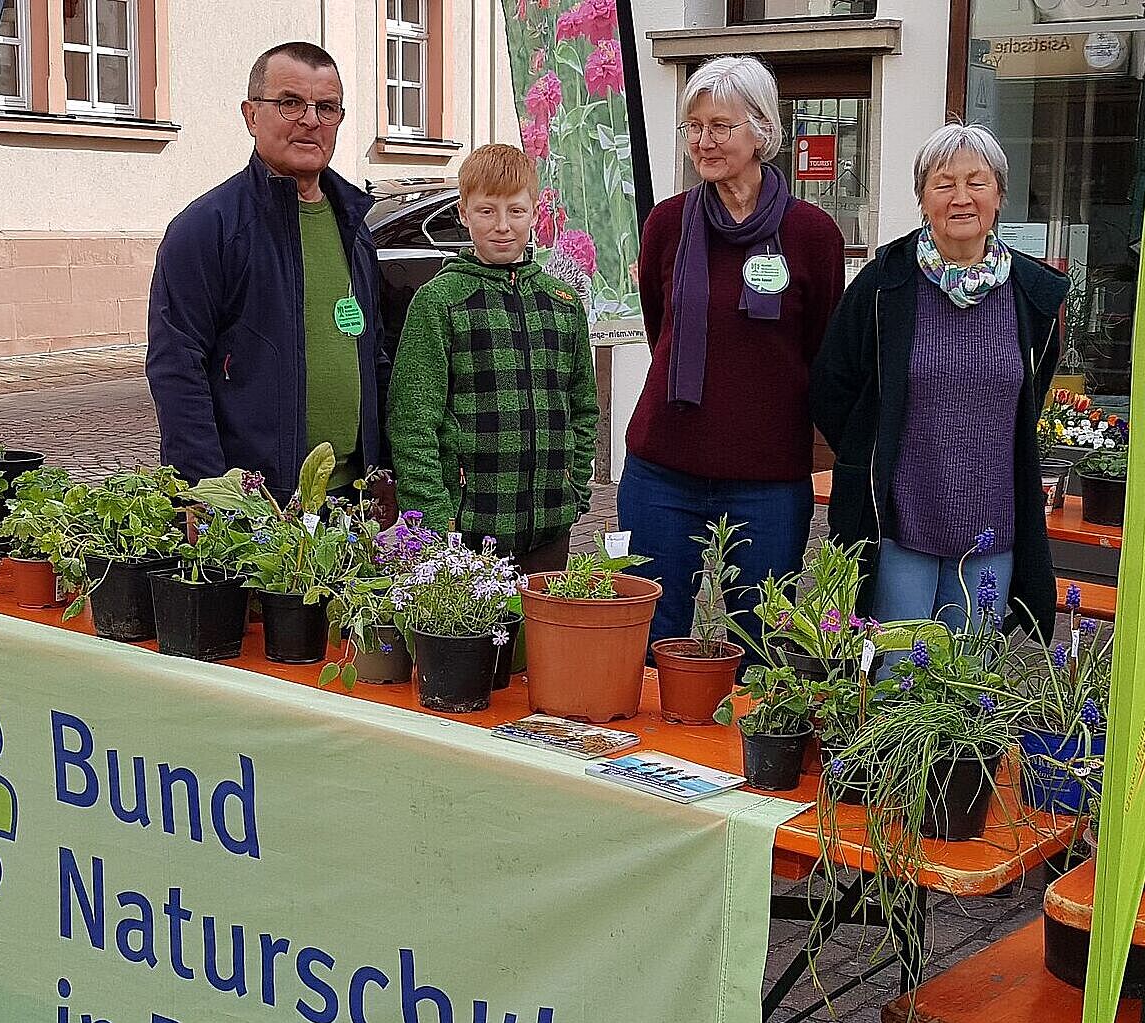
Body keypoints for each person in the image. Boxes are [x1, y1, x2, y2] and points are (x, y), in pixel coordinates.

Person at [622, 55, 846, 646]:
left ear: (762, 130)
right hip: (664, 468)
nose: (704, 140)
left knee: (762, 644)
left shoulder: (813, 235)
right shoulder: (667, 224)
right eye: (694, 127)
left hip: (768, 476)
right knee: (651, 637)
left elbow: (821, 349)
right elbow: (659, 327)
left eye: (720, 125)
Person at [810, 124, 1065, 635]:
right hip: (900, 521)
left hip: (993, 524)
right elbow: (832, 383)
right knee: (890, 675)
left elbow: (1027, 399)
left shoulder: (1033, 295)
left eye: (977, 182)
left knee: (967, 681)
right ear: (922, 198)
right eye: (944, 184)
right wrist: (867, 450)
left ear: (1000, 196)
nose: (961, 198)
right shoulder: (886, 282)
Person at [146, 41, 391, 503]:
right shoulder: (208, 229)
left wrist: (385, 473)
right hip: (257, 504)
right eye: (290, 102)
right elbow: (177, 370)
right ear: (251, 115)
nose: (311, 120)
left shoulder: (354, 227)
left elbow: (372, 356)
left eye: (327, 107)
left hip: (352, 496)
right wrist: (207, 494)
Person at [386, 145, 599, 574]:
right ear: (464, 213)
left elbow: (584, 409)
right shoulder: (440, 302)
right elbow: (412, 423)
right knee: (472, 640)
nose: (502, 226)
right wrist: (430, 518)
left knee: (540, 642)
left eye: (516, 211)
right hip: (466, 528)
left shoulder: (562, 303)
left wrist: (573, 489)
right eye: (486, 211)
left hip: (549, 528)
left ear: (534, 213)